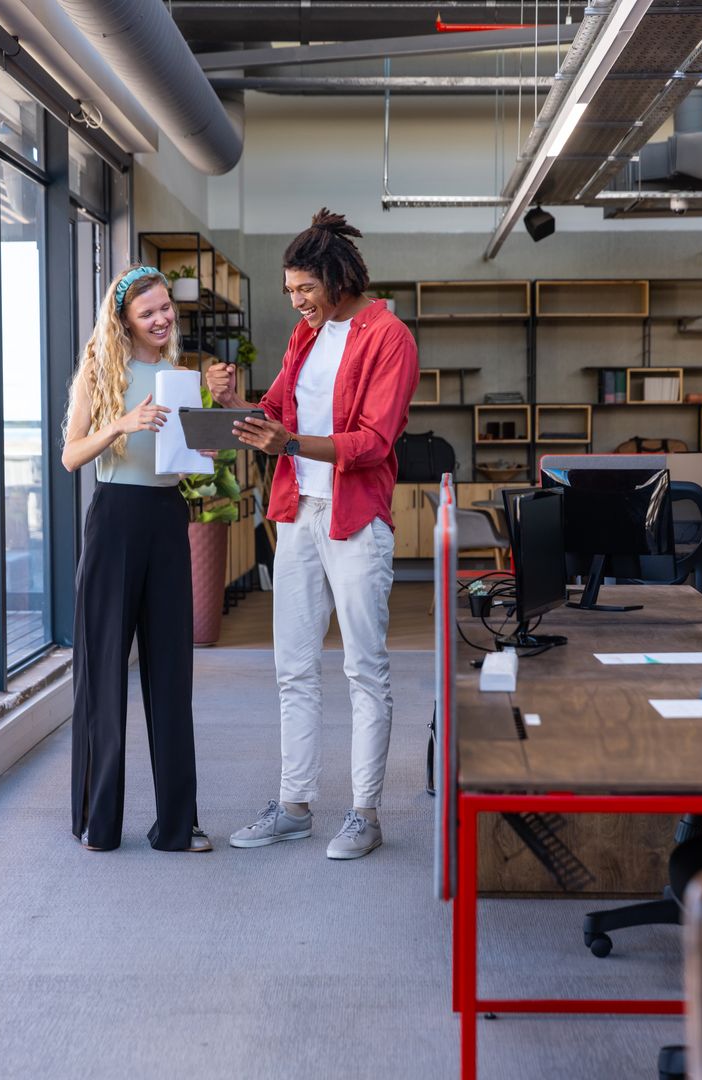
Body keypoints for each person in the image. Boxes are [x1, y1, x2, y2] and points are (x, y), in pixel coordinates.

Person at [206, 208, 419, 859]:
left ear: (336, 277)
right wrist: (232, 404)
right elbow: (272, 415)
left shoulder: (389, 337)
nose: (297, 303)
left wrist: (291, 441)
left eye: (304, 289)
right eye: (291, 292)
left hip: (356, 521)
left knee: (364, 668)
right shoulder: (306, 337)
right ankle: (295, 805)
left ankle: (365, 813)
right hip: (297, 515)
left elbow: (376, 440)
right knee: (292, 666)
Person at [62, 264, 212, 853]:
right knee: (103, 674)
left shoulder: (178, 376)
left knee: (172, 675)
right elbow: (73, 455)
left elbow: (181, 461)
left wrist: (203, 440)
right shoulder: (97, 375)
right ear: (124, 319)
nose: (161, 318)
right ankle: (100, 823)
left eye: (165, 308)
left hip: (167, 517)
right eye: (147, 311)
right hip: (115, 521)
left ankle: (178, 824)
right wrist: (121, 423)